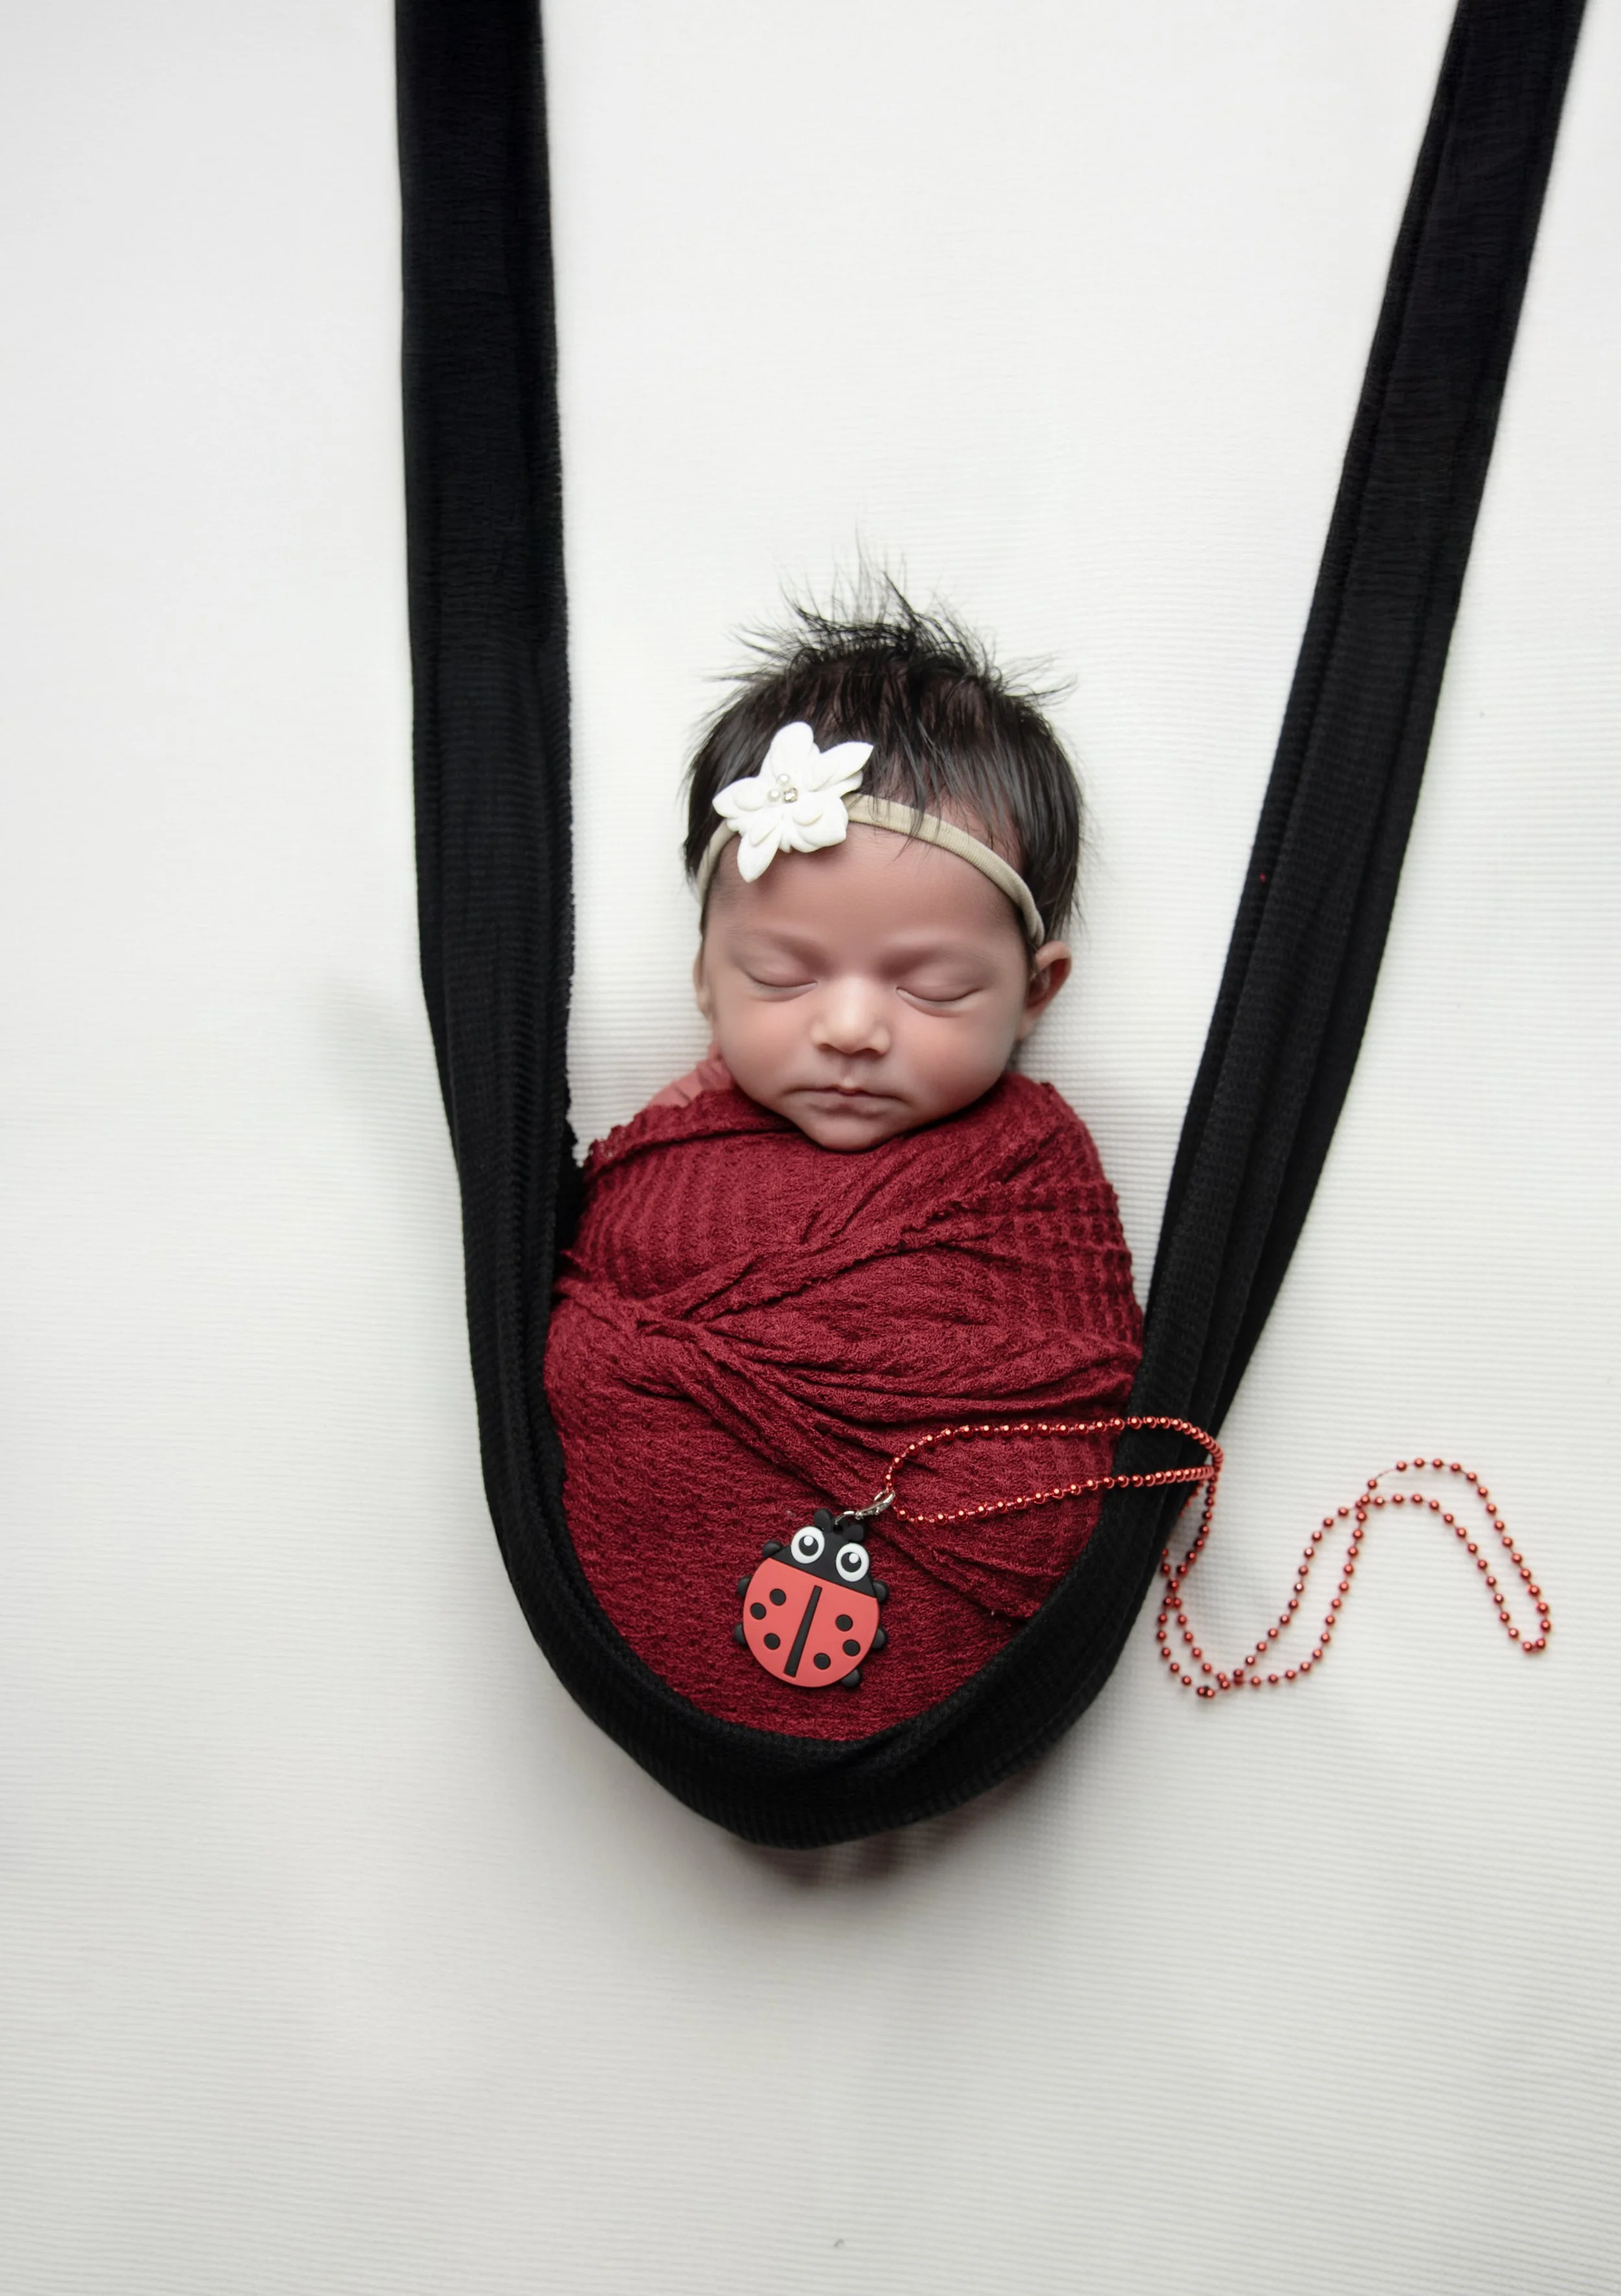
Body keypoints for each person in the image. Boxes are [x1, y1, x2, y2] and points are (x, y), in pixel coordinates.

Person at [541, 594, 1143, 1737]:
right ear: (708, 977)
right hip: (630, 1635)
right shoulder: (668, 1147)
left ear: (1036, 994)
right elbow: (580, 1328)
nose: (854, 1028)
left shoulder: (1031, 1179)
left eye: (934, 987)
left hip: (965, 1649)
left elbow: (1069, 1394)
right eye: (782, 975)